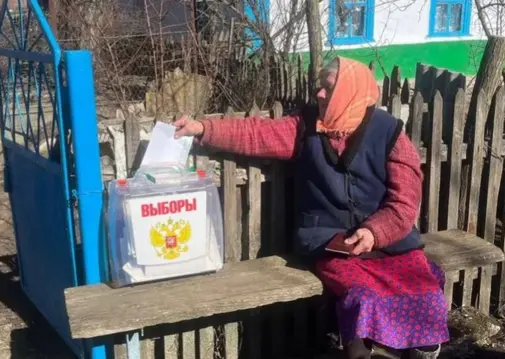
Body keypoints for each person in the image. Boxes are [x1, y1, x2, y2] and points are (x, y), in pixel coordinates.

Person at [173, 57, 449, 359]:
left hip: (389, 243)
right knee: (362, 297)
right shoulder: (305, 128)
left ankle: (422, 351)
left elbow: (405, 202)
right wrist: (202, 128)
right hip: (333, 243)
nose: (318, 94)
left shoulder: (390, 134)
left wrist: (374, 231)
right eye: (320, 86)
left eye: (328, 88)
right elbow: (254, 134)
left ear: (351, 91)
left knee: (425, 291)